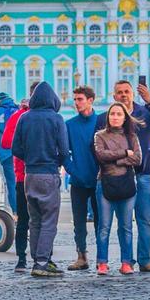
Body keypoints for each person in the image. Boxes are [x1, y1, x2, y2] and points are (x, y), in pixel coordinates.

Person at [10, 81, 69, 277]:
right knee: (49, 220)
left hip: (29, 175)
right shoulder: (56, 119)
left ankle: (37, 258)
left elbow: (15, 148)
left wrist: (30, 158)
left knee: (34, 219)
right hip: (48, 173)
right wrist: (56, 162)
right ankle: (42, 262)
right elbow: (64, 148)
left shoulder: (24, 118)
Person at [111, 79, 150, 272]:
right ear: (114, 96)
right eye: (120, 92)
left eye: (127, 91)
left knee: (145, 219)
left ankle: (145, 259)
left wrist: (149, 100)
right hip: (120, 174)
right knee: (124, 222)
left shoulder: (143, 112)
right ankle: (127, 261)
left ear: (133, 94)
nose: (124, 95)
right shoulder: (113, 116)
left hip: (143, 173)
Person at [92, 101, 142, 274]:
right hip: (105, 183)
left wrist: (118, 160)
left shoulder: (132, 136)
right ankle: (102, 263)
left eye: (119, 114)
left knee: (126, 226)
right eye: (112, 114)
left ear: (124, 117)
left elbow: (137, 159)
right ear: (108, 116)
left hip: (127, 184)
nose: (115, 117)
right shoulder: (100, 135)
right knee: (104, 226)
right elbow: (101, 155)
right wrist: (124, 153)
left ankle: (126, 262)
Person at [63, 85, 104, 272]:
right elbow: (63, 152)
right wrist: (73, 170)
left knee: (100, 221)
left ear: (90, 100)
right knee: (78, 222)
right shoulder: (69, 124)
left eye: (80, 99)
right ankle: (81, 256)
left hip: (99, 180)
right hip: (78, 181)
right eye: (75, 100)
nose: (76, 103)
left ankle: (101, 257)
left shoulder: (102, 121)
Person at [0, 91, 33, 272]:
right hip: (41, 175)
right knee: (43, 221)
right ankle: (44, 258)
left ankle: (22, 259)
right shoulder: (49, 116)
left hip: (22, 175)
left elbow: (5, 142)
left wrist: (21, 149)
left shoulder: (17, 116)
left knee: (23, 220)